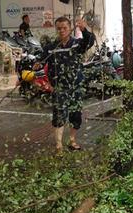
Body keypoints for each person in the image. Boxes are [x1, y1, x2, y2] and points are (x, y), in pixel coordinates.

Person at [39, 17, 94, 153]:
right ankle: (59, 146)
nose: (62, 30)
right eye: (59, 28)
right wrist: (36, 66)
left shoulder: (77, 45)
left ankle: (72, 140)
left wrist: (84, 30)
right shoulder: (51, 48)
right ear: (56, 29)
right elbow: (41, 61)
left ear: (70, 28)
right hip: (59, 88)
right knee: (59, 116)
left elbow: (90, 41)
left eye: (64, 28)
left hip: (76, 87)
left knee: (75, 115)